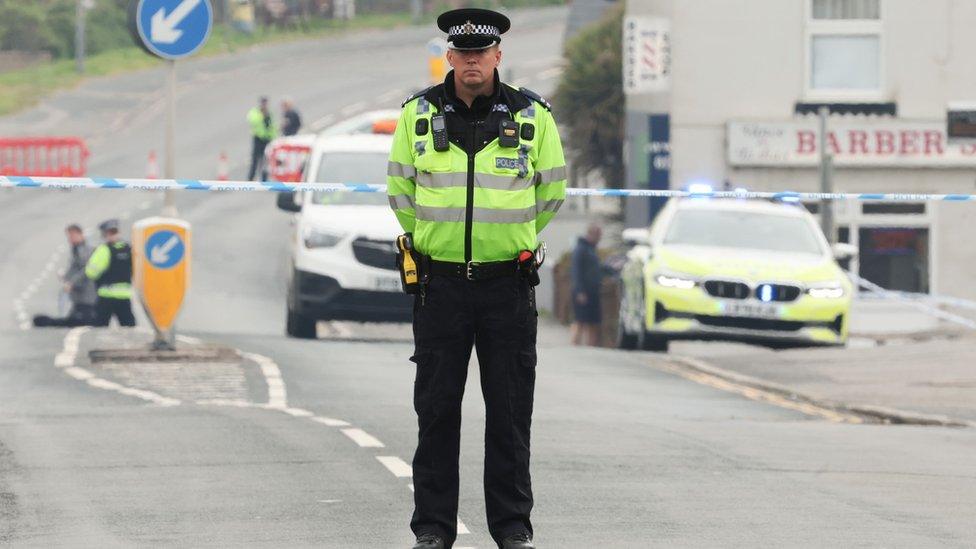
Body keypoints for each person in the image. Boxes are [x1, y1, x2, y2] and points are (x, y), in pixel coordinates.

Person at [387, 8, 567, 549]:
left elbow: (551, 191)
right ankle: (433, 530)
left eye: (481, 53)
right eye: (462, 53)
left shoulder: (532, 117)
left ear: (497, 57)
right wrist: (435, 241)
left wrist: (509, 240)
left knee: (510, 413)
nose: (472, 61)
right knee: (437, 411)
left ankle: (512, 528)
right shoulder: (417, 116)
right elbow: (401, 192)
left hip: (506, 287)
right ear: (450, 57)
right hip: (440, 287)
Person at [32, 224, 97, 327]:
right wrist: (66, 277)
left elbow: (86, 271)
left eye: (72, 236)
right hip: (79, 298)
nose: (70, 239)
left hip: (87, 297)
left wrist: (72, 283)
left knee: (78, 322)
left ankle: (44, 322)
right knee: (73, 321)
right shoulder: (76, 249)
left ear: (80, 234)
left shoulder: (85, 250)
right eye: (69, 237)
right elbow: (74, 269)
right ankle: (44, 321)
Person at [85, 219, 136, 328]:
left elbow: (91, 273)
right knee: (129, 329)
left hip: (106, 295)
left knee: (99, 329)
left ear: (104, 234)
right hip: (124, 296)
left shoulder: (104, 250)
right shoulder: (129, 249)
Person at [570, 223, 604, 346]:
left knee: (593, 322)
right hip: (583, 291)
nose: (599, 239)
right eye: (598, 236)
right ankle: (574, 344)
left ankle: (591, 348)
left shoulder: (592, 249)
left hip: (593, 291)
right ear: (591, 234)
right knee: (580, 321)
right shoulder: (581, 249)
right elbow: (576, 271)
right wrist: (579, 291)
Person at [247, 96, 277, 181]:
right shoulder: (255, 112)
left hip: (267, 139)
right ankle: (251, 177)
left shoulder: (269, 113)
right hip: (258, 138)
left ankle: (264, 178)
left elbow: (272, 126)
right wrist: (262, 115)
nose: (265, 105)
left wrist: (274, 137)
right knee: (255, 159)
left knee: (265, 160)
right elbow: (252, 120)